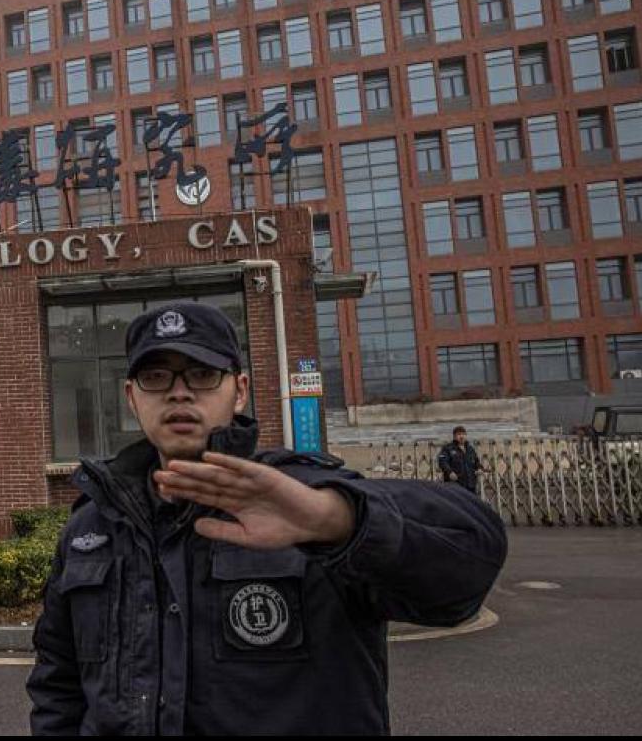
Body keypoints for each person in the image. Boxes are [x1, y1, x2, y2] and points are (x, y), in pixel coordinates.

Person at [27, 302, 507, 735]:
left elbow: (469, 565)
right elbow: (59, 682)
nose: (178, 394)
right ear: (132, 398)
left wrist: (336, 520)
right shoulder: (93, 525)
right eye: (157, 378)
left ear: (238, 392)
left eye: (200, 374)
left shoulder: (306, 499)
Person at [438, 426, 483, 496]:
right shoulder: (448, 448)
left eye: (463, 434)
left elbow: (477, 461)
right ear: (454, 436)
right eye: (459, 434)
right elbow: (442, 462)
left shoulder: (470, 449)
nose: (461, 436)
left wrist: (479, 468)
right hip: (455, 485)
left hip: (470, 484)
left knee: (471, 504)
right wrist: (450, 472)